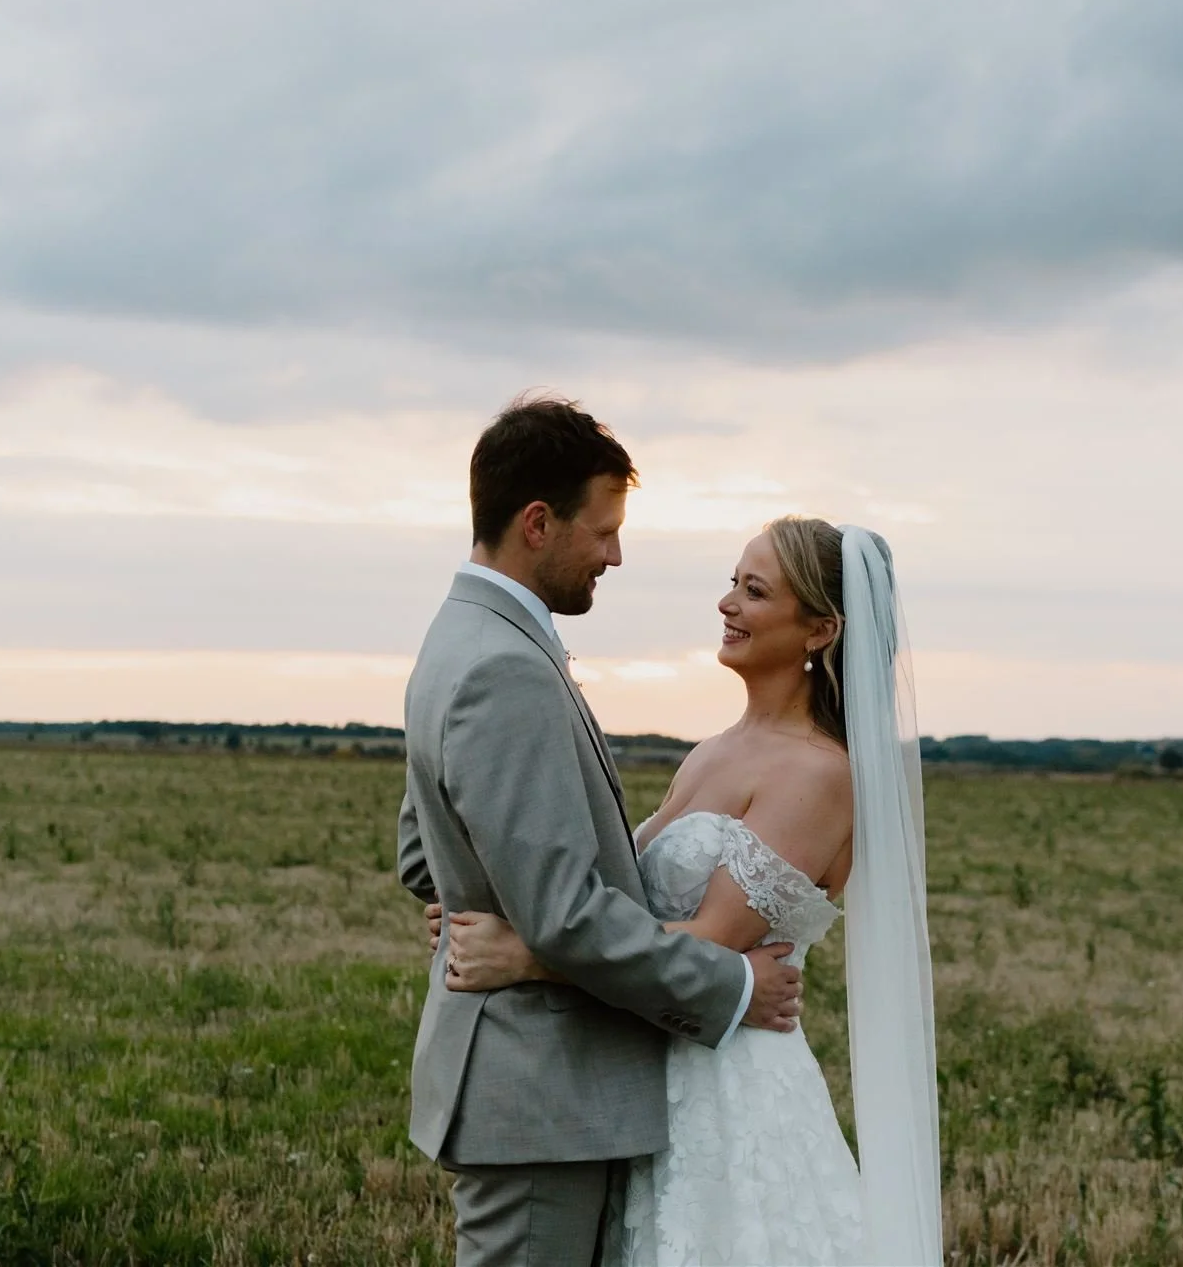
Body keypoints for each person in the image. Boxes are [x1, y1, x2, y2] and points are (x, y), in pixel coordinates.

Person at [438, 515, 943, 1265]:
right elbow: (625, 906)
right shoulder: (715, 749)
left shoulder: (817, 773)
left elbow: (711, 943)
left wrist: (527, 954)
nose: (727, 604)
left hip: (729, 1096)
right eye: (732, 583)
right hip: (652, 1068)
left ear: (820, 629)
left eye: (755, 590)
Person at [396, 395, 807, 1267]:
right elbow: (568, 915)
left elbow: (419, 847)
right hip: (538, 1091)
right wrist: (730, 984)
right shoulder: (506, 664)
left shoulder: (458, 636)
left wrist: (468, 902)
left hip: (537, 1087)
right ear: (538, 523)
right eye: (605, 529)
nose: (616, 554)